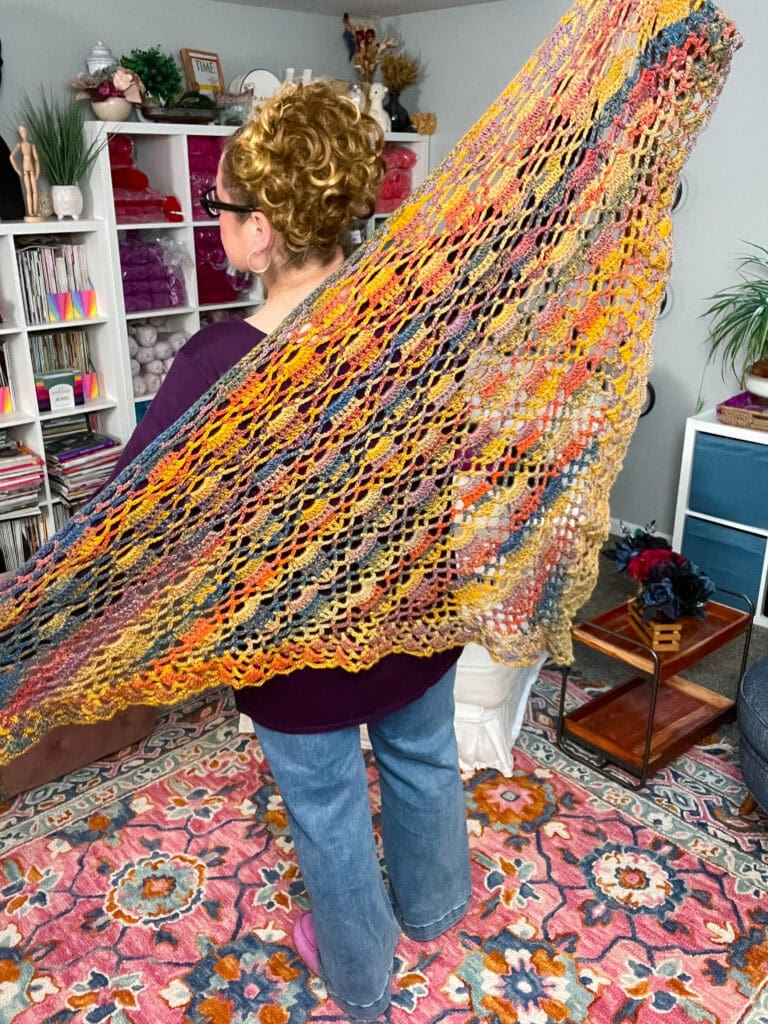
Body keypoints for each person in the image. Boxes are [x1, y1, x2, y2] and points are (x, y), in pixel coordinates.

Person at [107, 81, 471, 1020]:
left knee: (329, 810)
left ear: (263, 231)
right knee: (424, 760)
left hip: (293, 642)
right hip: (416, 605)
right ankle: (435, 911)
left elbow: (127, 513)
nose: (215, 219)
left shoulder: (213, 365)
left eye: (222, 206)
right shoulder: (414, 320)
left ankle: (361, 979)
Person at [9, 125, 41, 221]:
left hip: (32, 169)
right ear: (19, 133)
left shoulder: (31, 145)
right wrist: (17, 169)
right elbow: (11, 157)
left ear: (26, 131)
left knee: (35, 191)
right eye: (21, 131)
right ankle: (30, 212)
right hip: (25, 169)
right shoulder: (20, 144)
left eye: (24, 131)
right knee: (29, 192)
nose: (23, 133)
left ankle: (35, 211)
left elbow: (36, 159)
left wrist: (37, 171)